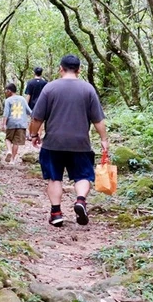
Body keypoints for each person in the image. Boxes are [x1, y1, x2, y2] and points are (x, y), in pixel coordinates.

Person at [28, 55, 109, 228]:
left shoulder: (50, 88)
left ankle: (56, 213)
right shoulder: (88, 89)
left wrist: (34, 135)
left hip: (53, 143)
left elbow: (36, 118)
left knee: (54, 178)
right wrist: (104, 139)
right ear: (79, 69)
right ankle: (80, 201)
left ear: (61, 68)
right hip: (80, 143)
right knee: (83, 175)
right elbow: (98, 120)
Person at [1, 83, 31, 164]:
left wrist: (3, 124)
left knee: (8, 139)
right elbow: (29, 111)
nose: (5, 92)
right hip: (22, 123)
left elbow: (6, 113)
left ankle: (9, 151)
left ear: (9, 91)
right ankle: (13, 160)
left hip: (11, 123)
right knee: (16, 142)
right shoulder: (22, 99)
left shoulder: (8, 100)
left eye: (6, 90)